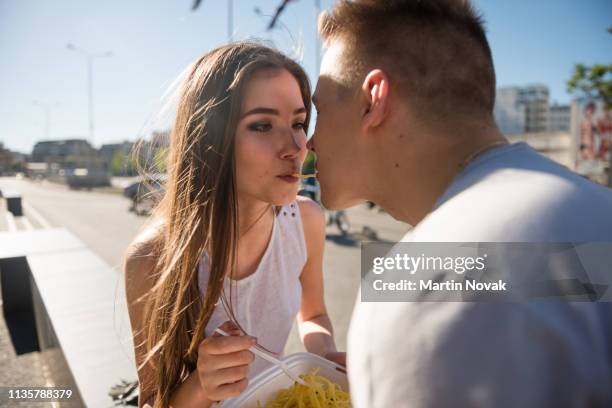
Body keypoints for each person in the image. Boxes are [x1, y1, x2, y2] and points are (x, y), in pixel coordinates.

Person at [308, 0, 612, 406]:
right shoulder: (596, 212)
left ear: (373, 100)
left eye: (320, 109)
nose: (309, 141)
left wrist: (389, 359)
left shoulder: (412, 289)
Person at [124, 42, 340, 408]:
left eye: (299, 123)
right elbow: (152, 401)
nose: (296, 146)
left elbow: (314, 313)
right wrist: (200, 387)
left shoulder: (307, 221)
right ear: (210, 140)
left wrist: (327, 357)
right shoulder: (152, 257)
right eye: (262, 125)